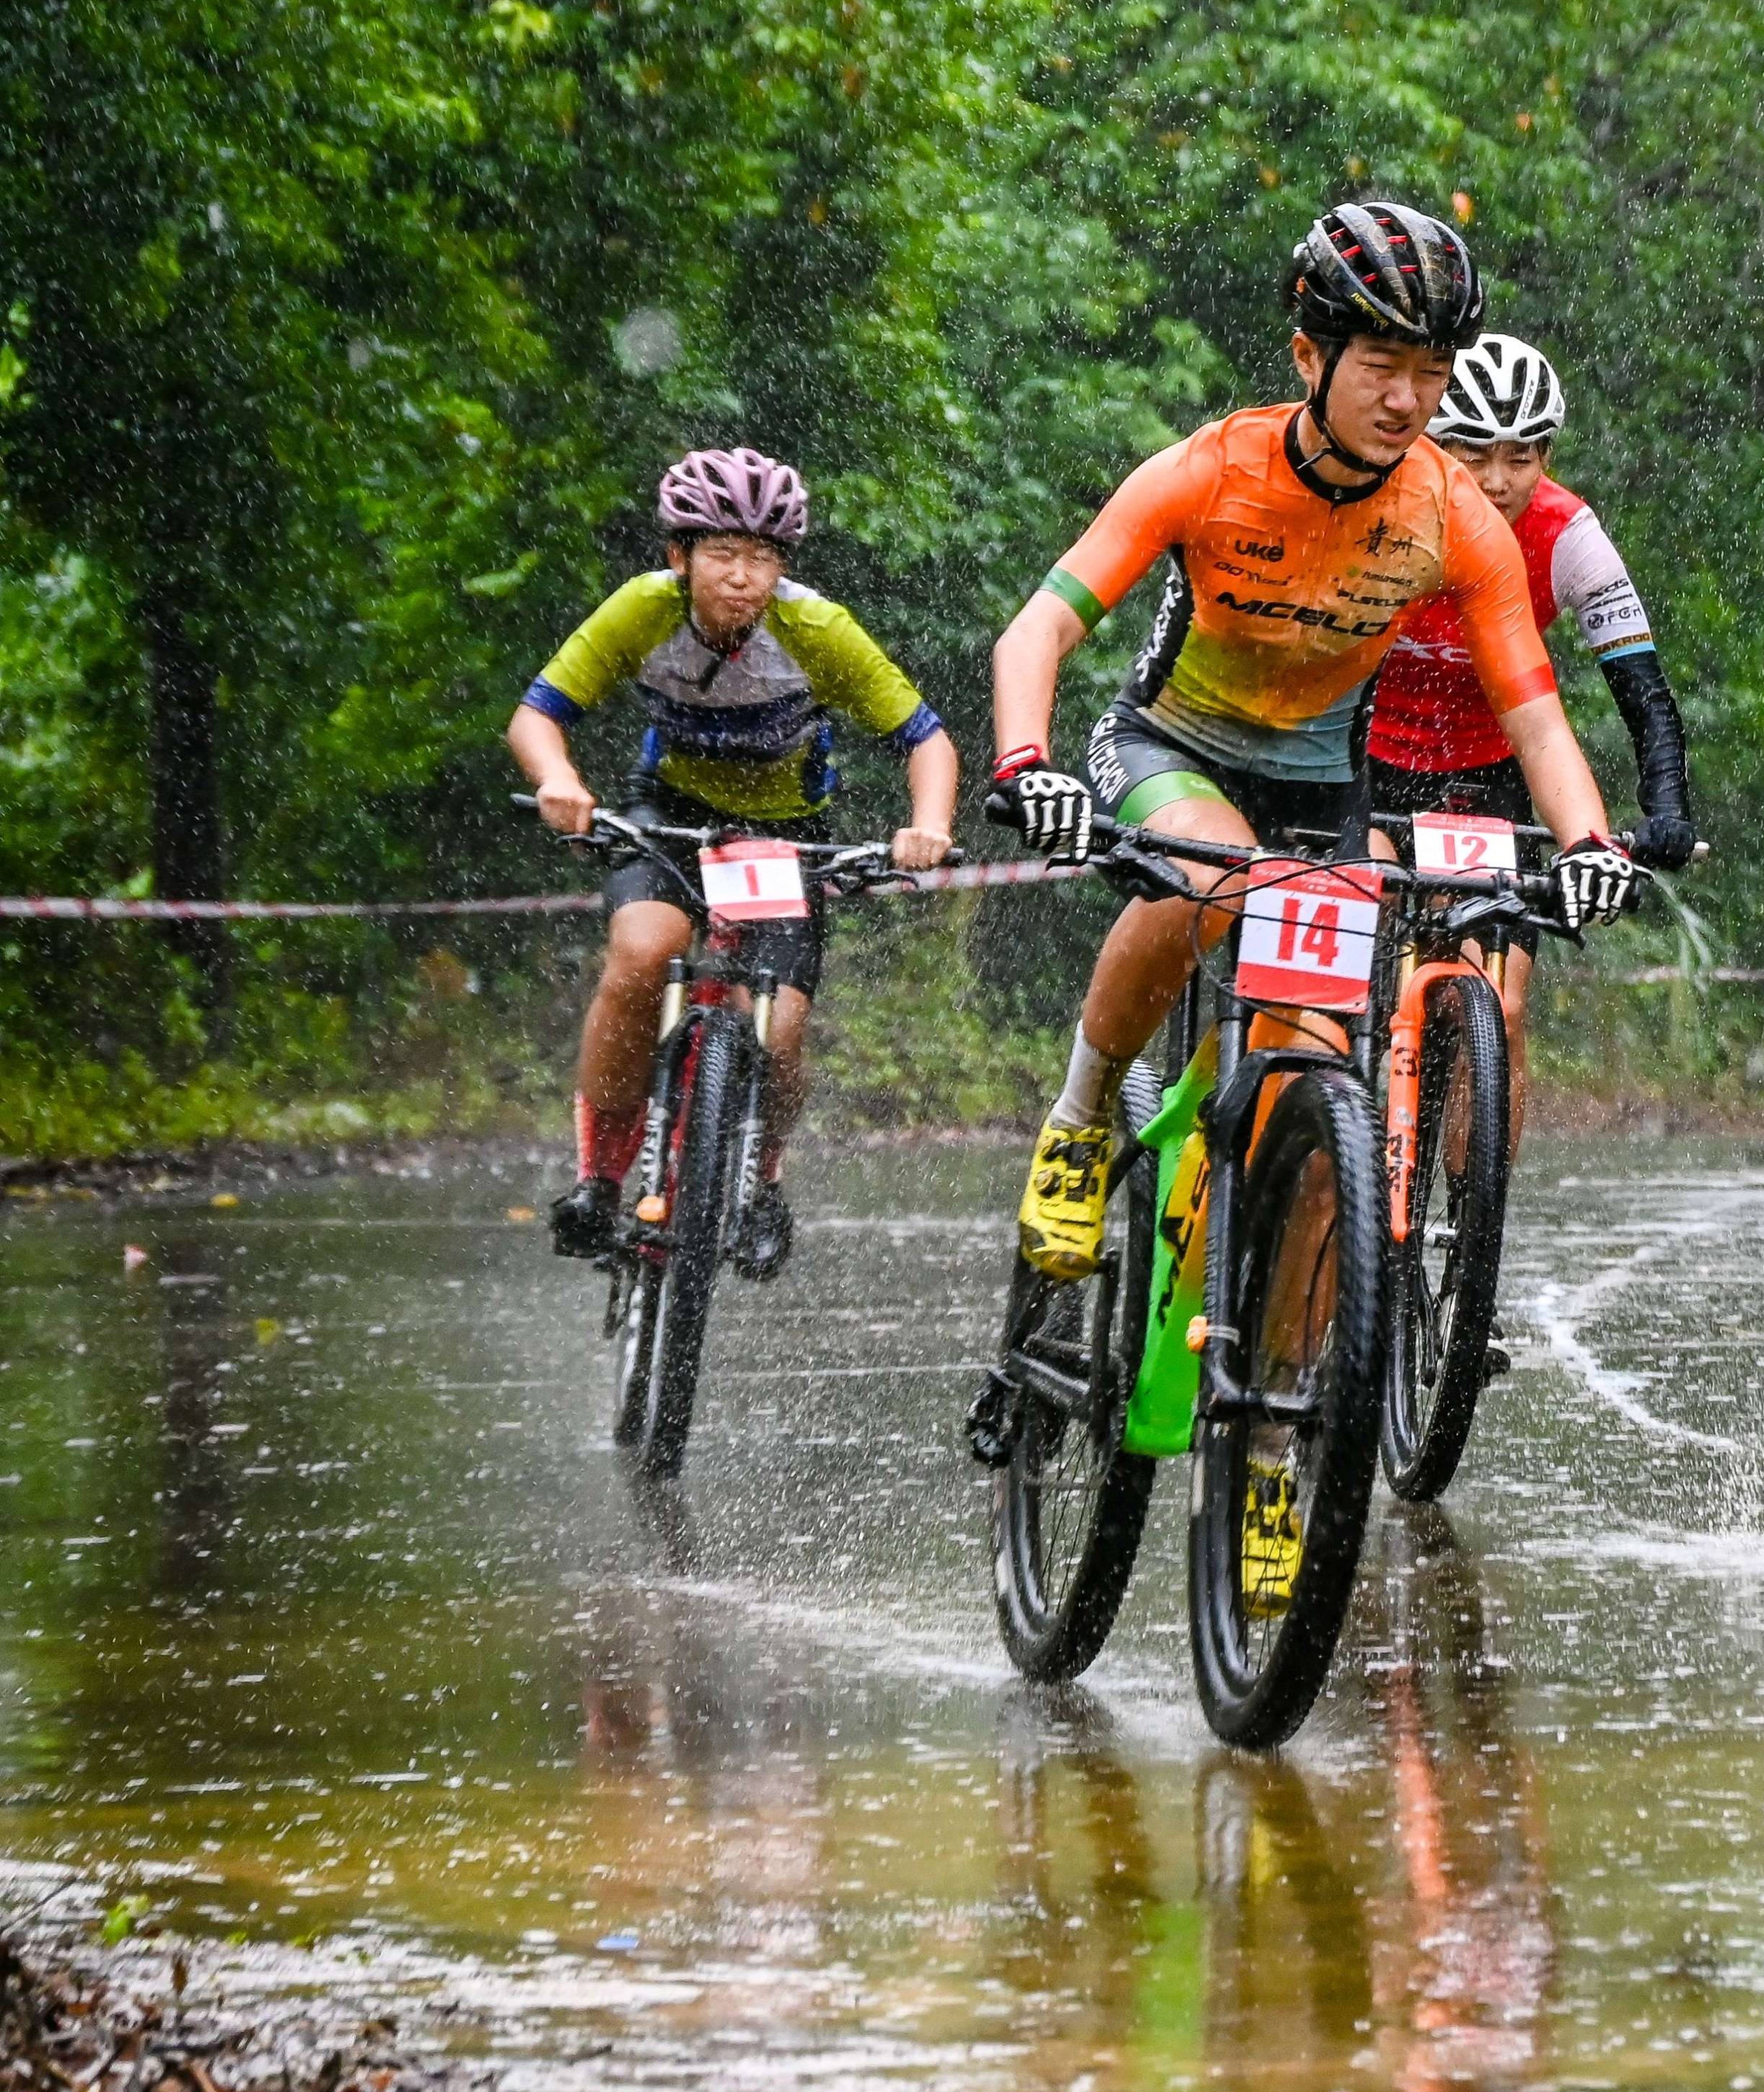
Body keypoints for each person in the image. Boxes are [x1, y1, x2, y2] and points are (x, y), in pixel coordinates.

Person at [978, 202, 1644, 1371]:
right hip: (1168, 749)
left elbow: (1534, 713)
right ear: (1309, 357)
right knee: (1206, 885)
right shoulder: (1211, 468)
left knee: (1329, 1134)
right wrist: (1024, 762)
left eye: (1431, 375)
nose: (1408, 401)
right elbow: (1036, 631)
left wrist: (1588, 840)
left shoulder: (1447, 512)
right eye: (1383, 366)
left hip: (1318, 798)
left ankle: (1275, 1438)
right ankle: (1081, 1121)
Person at [509, 448, 957, 1275]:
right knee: (642, 953)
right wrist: (559, 779)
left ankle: (760, 1183)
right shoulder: (643, 610)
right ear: (679, 556)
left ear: (782, 565)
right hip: (671, 815)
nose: (742, 577)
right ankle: (601, 1179)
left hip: (785, 830)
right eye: (722, 553)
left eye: (761, 557)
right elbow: (537, 714)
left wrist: (926, 824)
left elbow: (925, 738)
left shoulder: (818, 629)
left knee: (780, 1026)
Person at [1364, 331, 1697, 1129]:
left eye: (1521, 456)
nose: (1498, 480)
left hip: (1490, 778)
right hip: (1369, 763)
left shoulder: (1567, 532)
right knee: (1363, 948)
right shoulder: (1388, 505)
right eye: (1473, 454)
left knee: (1499, 1011)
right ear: (1433, 443)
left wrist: (1668, 808)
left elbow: (1644, 691)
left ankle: (1474, 1242)